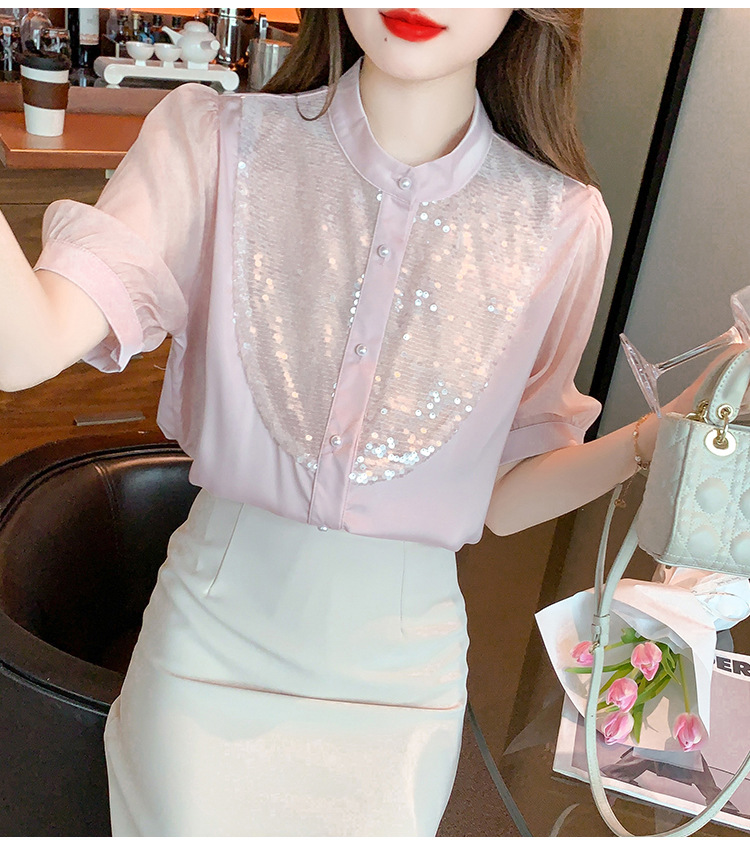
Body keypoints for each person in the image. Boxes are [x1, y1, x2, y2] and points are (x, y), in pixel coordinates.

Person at [0, 7, 721, 837]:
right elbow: (25, 349)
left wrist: (666, 431)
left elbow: (507, 495)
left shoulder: (560, 222)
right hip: (207, 660)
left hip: (400, 697)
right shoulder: (215, 142)